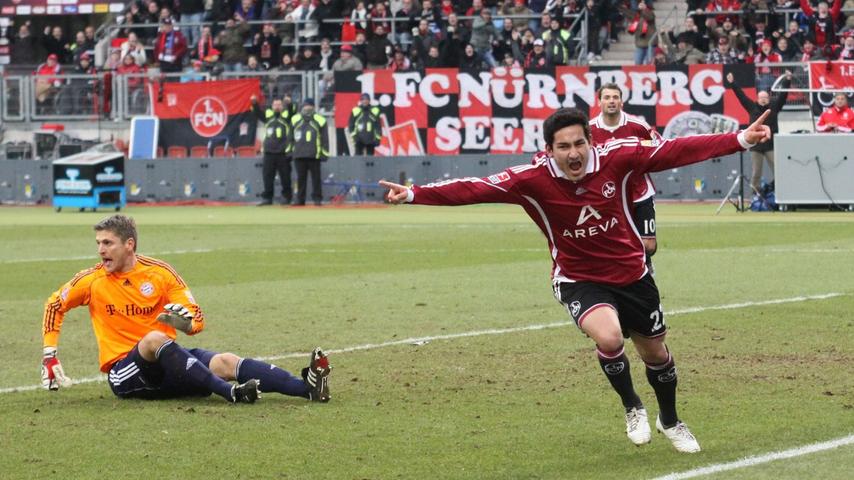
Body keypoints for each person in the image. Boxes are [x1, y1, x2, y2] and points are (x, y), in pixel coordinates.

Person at [380, 108, 773, 453]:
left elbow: (673, 151)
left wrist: (739, 138)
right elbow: (474, 189)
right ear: (550, 150)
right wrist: (414, 194)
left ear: (590, 141)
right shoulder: (531, 179)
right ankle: (633, 406)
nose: (573, 153)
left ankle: (669, 419)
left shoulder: (617, 158)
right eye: (563, 146)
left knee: (655, 354)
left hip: (633, 274)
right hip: (578, 278)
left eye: (579, 143)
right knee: (610, 338)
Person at [41, 214, 331, 403]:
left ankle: (308, 389)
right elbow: (55, 305)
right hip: (125, 373)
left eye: (108, 243)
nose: (101, 250)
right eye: (98, 243)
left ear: (129, 245)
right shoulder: (91, 280)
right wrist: (49, 354)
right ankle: (230, 393)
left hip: (171, 364)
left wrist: (186, 324)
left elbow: (196, 317)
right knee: (154, 339)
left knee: (227, 361)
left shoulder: (160, 273)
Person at [589, 83, 660, 272]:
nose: (611, 101)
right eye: (607, 97)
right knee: (611, 243)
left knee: (649, 246)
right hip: (608, 197)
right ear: (599, 102)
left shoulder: (638, 126)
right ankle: (634, 275)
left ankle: (643, 264)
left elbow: (659, 148)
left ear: (621, 101)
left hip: (639, 192)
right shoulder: (589, 130)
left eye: (615, 97)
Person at [725, 70, 791, 193]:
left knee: (778, 170)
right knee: (756, 173)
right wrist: (732, 83)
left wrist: (787, 80)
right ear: (757, 98)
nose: (763, 100)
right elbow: (741, 96)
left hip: (771, 145)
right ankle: (755, 195)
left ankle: (782, 192)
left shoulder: (774, 106)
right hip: (756, 146)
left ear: (768, 98)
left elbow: (783, 96)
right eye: (761, 97)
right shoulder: (752, 107)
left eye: (765, 97)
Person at [251, 94, 294, 206]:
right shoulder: (268, 115)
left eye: (279, 104)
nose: (277, 106)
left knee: (285, 177)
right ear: (272, 105)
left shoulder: (286, 116)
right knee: (267, 176)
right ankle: (267, 198)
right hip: (269, 152)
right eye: (275, 104)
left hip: (283, 152)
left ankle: (286, 197)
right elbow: (257, 113)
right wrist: (255, 104)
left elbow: (292, 111)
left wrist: (289, 103)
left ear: (282, 105)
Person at [291, 98, 329, 206]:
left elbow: (324, 138)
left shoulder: (320, 119)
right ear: (302, 106)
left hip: (315, 155)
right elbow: (290, 137)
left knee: (316, 179)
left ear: (313, 106)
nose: (307, 107)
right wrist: (289, 151)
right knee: (300, 179)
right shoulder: (295, 119)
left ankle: (317, 199)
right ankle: (300, 199)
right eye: (305, 105)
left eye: (309, 105)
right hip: (299, 154)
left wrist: (324, 153)